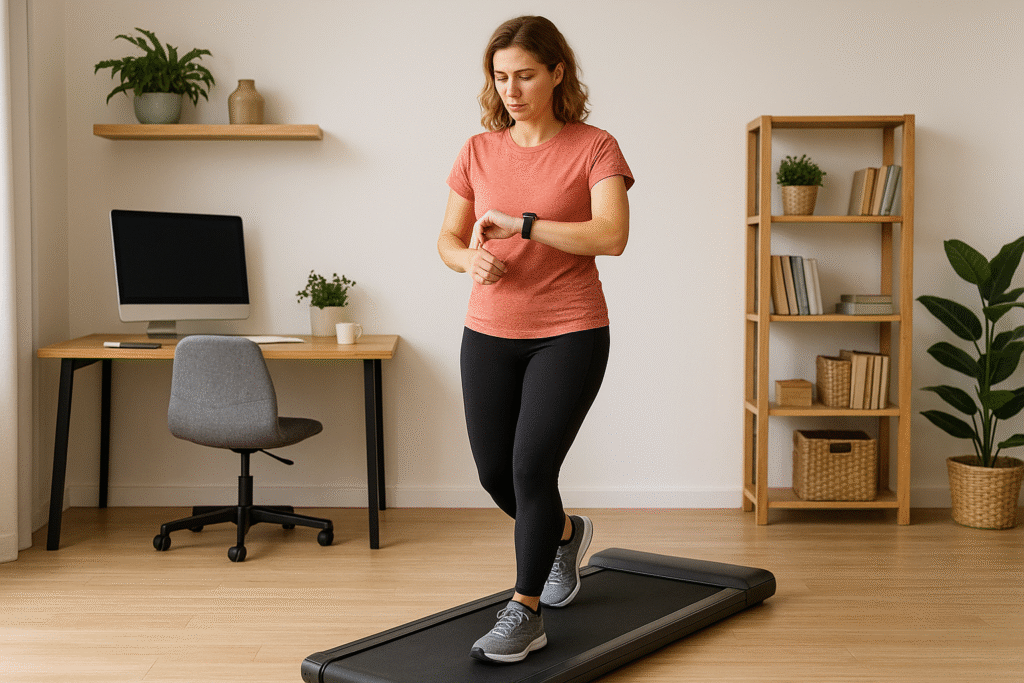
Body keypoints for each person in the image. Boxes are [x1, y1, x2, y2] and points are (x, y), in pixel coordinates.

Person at [437, 15, 634, 664]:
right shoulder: (477, 150)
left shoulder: (595, 147)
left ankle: (525, 610)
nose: (512, 89)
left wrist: (525, 224)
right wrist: (470, 260)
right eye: (500, 76)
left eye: (525, 74)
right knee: (497, 474)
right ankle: (566, 534)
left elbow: (611, 235)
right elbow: (448, 239)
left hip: (570, 331)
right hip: (489, 331)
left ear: (557, 72)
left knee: (530, 467)